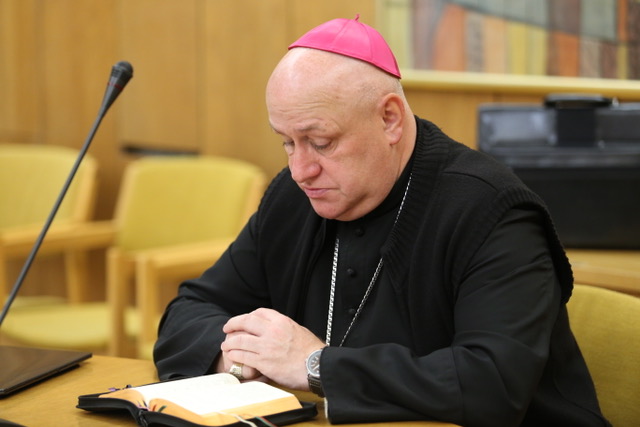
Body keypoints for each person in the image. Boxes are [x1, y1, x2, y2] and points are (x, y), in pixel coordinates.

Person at [154, 16, 610, 427]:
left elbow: (492, 385)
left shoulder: (492, 211)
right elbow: (189, 311)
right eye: (287, 143)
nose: (300, 170)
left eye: (321, 142)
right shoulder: (293, 199)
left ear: (390, 118)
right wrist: (239, 357)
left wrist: (316, 366)